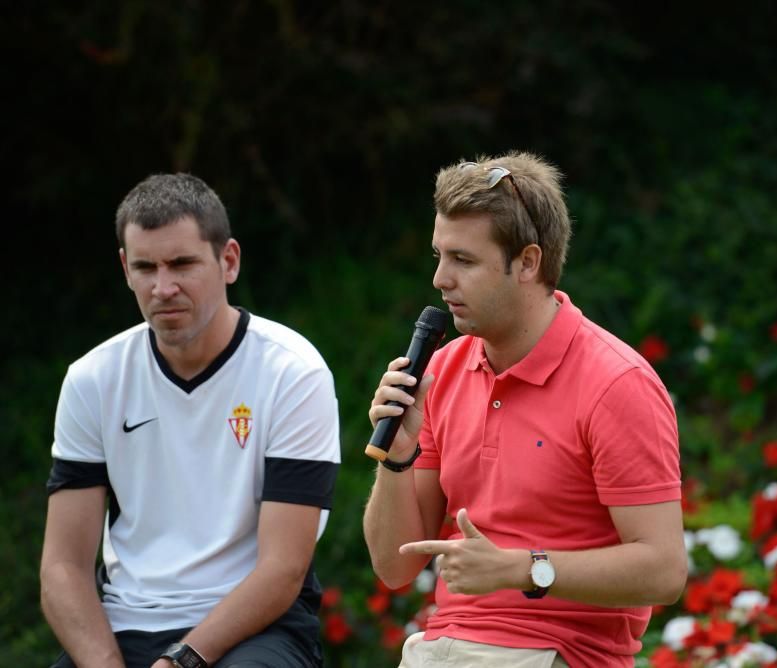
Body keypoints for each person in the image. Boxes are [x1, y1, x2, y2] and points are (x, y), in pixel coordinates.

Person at [363, 152, 686, 667]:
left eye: (463, 260)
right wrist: (398, 460)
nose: (440, 280)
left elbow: (664, 570)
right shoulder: (442, 371)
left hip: (558, 653)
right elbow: (393, 567)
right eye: (438, 256)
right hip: (440, 649)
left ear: (528, 263)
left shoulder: (616, 384)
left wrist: (524, 569)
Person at [40, 173, 340, 668]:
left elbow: (284, 568)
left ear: (228, 261)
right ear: (124, 268)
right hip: (124, 624)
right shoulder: (92, 379)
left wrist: (181, 661)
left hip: (256, 630)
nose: (163, 287)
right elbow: (62, 566)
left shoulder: (291, 371)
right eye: (145, 267)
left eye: (182, 264)